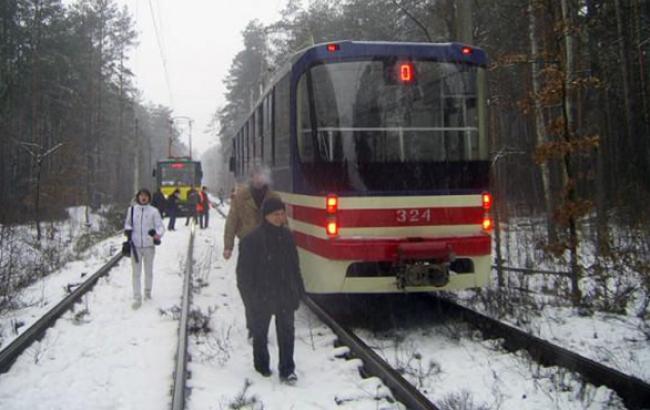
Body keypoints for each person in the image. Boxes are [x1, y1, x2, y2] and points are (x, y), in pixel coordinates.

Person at [236, 197, 304, 383]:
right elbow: (243, 275)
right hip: (261, 295)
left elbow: (294, 265)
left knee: (287, 333)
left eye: (282, 214)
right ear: (266, 216)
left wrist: (299, 289)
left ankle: (287, 369)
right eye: (276, 214)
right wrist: (249, 300)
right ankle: (262, 366)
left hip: (284, 293)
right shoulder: (251, 240)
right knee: (260, 333)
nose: (279, 218)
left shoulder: (288, 237)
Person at [223, 166, 280, 336]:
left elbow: (282, 221)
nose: (259, 178)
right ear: (251, 177)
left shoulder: (274, 197)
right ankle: (252, 323)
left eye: (262, 175)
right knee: (246, 286)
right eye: (256, 175)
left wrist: (286, 244)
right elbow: (232, 220)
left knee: (267, 288)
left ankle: (260, 325)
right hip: (248, 247)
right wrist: (228, 246)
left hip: (269, 248)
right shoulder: (241, 196)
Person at [124, 188, 165, 309]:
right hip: (135, 246)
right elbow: (127, 223)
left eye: (146, 195)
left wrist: (157, 234)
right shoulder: (131, 210)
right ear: (138, 197)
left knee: (148, 271)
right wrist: (128, 230)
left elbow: (160, 227)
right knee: (136, 273)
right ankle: (137, 296)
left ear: (149, 198)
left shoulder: (154, 211)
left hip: (149, 246)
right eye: (141, 195)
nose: (143, 197)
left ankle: (147, 293)